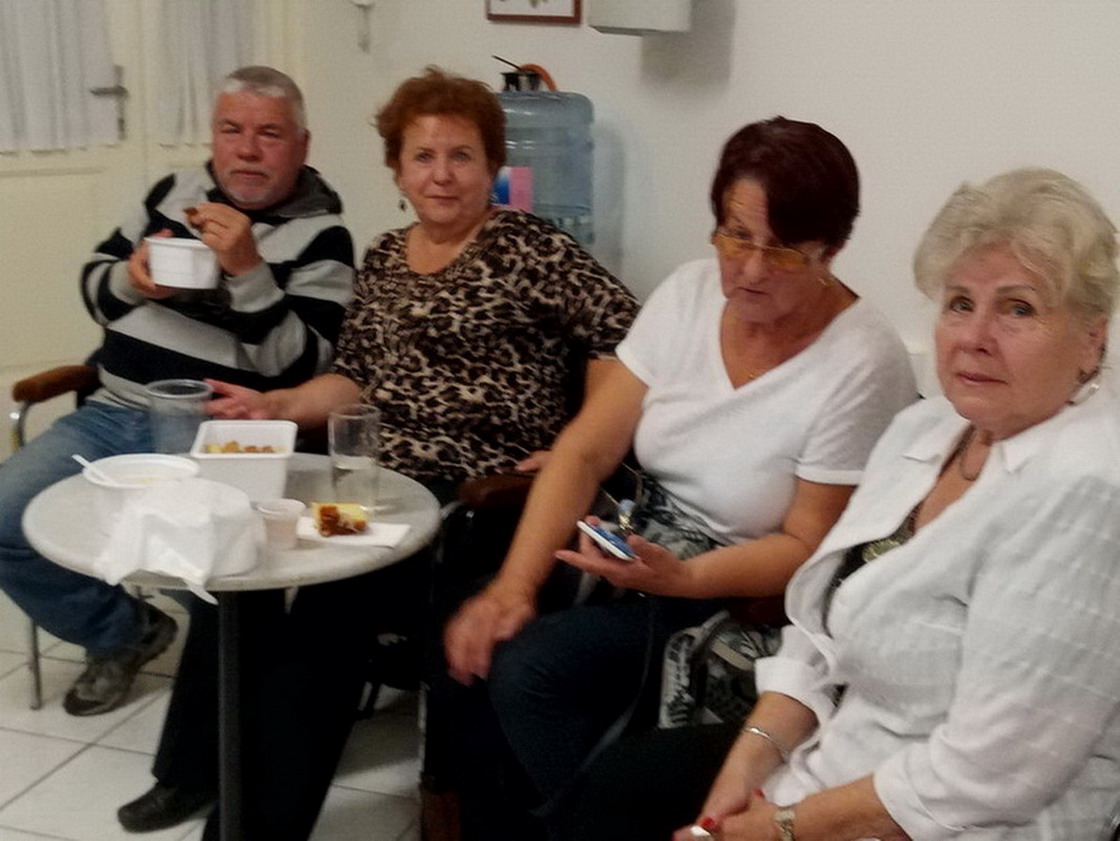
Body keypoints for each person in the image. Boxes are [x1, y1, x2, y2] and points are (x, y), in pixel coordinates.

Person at [116, 66, 638, 840]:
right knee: (293, 611)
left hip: (485, 505)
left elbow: (627, 339)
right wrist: (277, 405)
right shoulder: (387, 254)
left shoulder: (532, 247)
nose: (441, 174)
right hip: (383, 497)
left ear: (493, 166)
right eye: (422, 156)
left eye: (461, 155)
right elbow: (354, 377)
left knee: (379, 629)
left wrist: (574, 445)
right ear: (396, 169)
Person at [595, 167, 1120, 841]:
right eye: (960, 302)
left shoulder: (1086, 489)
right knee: (617, 787)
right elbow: (819, 629)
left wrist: (779, 827)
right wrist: (748, 765)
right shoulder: (927, 429)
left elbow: (988, 774)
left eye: (1018, 309)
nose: (976, 335)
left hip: (964, 822)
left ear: (1092, 337)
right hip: (841, 760)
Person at [442, 116, 917, 838]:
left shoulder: (863, 358)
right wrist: (514, 586)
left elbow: (809, 547)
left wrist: (683, 578)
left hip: (740, 592)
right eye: (736, 236)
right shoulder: (689, 294)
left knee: (533, 669)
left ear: (832, 249)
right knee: (473, 620)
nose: (749, 269)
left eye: (782, 250)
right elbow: (585, 451)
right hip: (637, 545)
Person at [0, 66, 354, 718]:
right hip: (112, 413)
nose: (247, 150)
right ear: (213, 136)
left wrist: (248, 271)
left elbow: (301, 365)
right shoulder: (171, 193)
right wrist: (132, 280)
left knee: (217, 570)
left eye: (269, 134)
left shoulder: (323, 236)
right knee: (5, 516)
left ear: (302, 145)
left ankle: (239, 709)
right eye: (231, 130)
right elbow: (95, 287)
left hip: (220, 435)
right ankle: (123, 633)